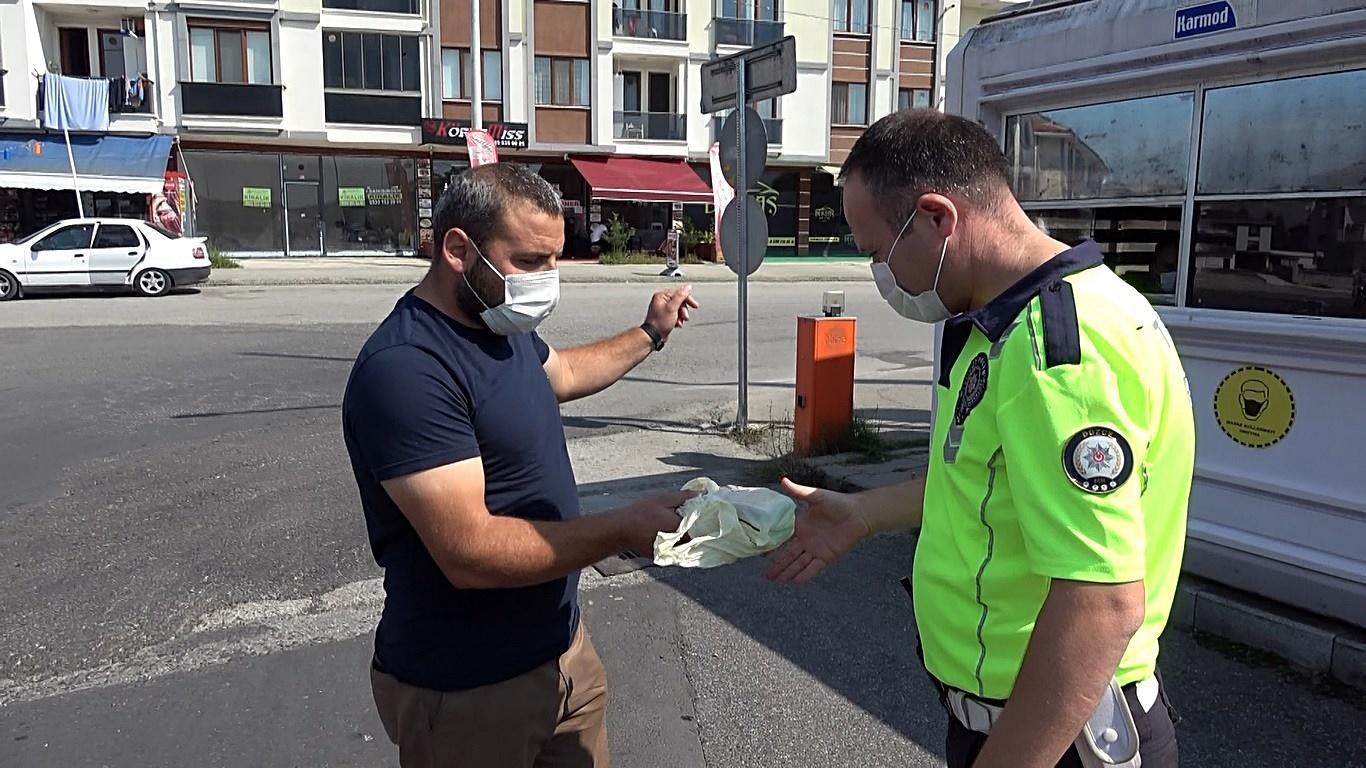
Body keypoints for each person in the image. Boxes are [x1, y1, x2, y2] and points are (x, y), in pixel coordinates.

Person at [767, 109, 1193, 768]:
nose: (881, 275)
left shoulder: (1055, 353)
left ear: (938, 217)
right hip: (1031, 725)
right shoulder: (1012, 320)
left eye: (879, 251)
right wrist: (864, 513)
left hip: (1054, 738)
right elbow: (989, 478)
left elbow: (1102, 601)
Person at [342, 163, 700, 768]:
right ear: (458, 249)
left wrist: (650, 332)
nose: (548, 281)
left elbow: (560, 372)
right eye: (531, 261)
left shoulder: (498, 323)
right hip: (466, 691)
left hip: (562, 658)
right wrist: (621, 529)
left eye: (556, 259)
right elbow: (470, 552)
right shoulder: (406, 369)